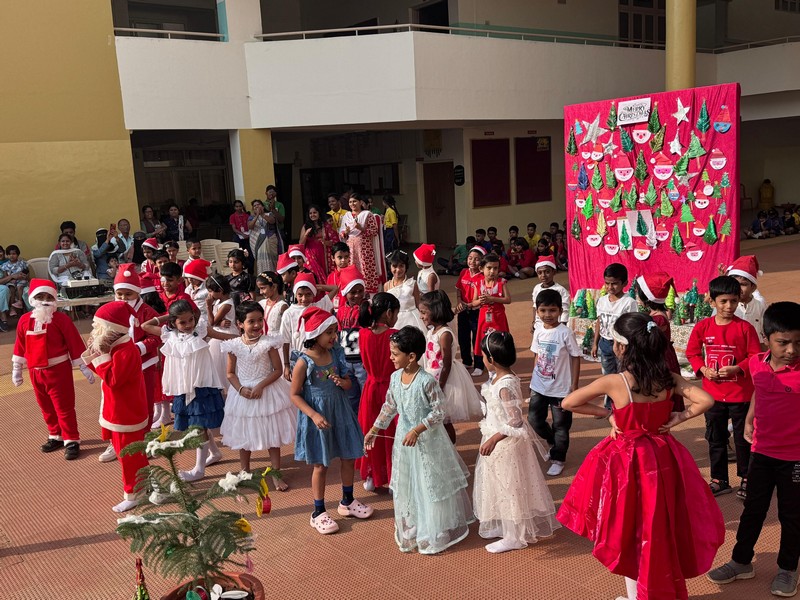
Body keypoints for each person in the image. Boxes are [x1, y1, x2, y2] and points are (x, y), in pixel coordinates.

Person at [558, 312, 726, 600]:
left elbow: (569, 402)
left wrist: (609, 413)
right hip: (662, 458)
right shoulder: (668, 379)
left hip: (626, 463)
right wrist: (679, 417)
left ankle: (637, 593)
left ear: (622, 348)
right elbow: (706, 400)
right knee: (658, 524)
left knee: (627, 528)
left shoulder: (616, 382)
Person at [707, 302, 800, 598]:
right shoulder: (758, 363)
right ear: (767, 337)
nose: (791, 350)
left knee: (792, 515)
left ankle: (787, 568)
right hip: (761, 453)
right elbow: (759, 392)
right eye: (783, 343)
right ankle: (741, 561)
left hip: (795, 459)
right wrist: (748, 419)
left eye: (799, 342)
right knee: (752, 510)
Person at [364, 326, 474, 554]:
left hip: (429, 441)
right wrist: (375, 427)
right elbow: (390, 406)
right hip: (405, 441)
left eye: (395, 353)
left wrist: (418, 429)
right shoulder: (395, 378)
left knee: (430, 482)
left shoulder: (426, 381)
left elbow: (439, 411)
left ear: (411, 356)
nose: (391, 357)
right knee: (409, 480)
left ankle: (437, 525)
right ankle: (416, 520)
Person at [290, 306, 374, 534]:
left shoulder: (336, 353)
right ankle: (318, 511)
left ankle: (347, 500)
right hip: (319, 418)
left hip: (340, 411)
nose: (334, 337)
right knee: (321, 464)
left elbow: (348, 383)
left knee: (348, 456)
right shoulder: (303, 362)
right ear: (315, 334)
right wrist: (314, 415)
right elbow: (295, 394)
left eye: (335, 331)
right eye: (329, 332)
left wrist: (343, 383)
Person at [475, 331, 560, 553]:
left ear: (491, 359)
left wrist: (494, 438)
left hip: (505, 444)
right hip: (495, 438)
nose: (483, 360)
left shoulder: (505, 385)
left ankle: (515, 535)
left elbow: (515, 421)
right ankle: (506, 525)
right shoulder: (497, 377)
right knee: (497, 485)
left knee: (510, 489)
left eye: (484, 356)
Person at [141, 300, 236, 482]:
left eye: (190, 320)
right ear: (173, 322)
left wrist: (245, 339)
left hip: (201, 386)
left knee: (198, 426)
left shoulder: (200, 330)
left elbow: (221, 336)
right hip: (183, 386)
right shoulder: (169, 335)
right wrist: (168, 317)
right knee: (199, 424)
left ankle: (199, 469)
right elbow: (146, 325)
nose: (187, 325)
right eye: (182, 322)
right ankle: (214, 453)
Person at [686, 275, 761, 498]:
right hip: (712, 396)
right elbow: (692, 353)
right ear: (712, 301)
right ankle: (720, 479)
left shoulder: (745, 329)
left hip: (741, 395)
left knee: (742, 440)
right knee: (715, 438)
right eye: (724, 301)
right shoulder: (703, 327)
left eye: (734, 301)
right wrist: (703, 369)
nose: (729, 306)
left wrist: (737, 369)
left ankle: (746, 478)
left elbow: (755, 356)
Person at [11, 279, 94, 460]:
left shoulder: (61, 319)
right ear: (32, 299)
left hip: (58, 370)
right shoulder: (24, 320)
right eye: (40, 296)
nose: (45, 300)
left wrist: (84, 366)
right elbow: (20, 345)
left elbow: (74, 343)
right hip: (35, 371)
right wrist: (17, 368)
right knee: (45, 406)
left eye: (49, 296)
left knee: (64, 406)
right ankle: (55, 434)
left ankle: (72, 439)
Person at [81, 302, 150, 512]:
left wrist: (99, 357)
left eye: (99, 327)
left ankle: (134, 493)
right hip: (119, 411)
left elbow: (112, 379)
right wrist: (95, 354)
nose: (95, 331)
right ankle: (144, 486)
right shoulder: (117, 347)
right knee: (130, 453)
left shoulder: (125, 351)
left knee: (129, 455)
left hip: (125, 413)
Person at [219, 302, 296, 487]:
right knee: (244, 433)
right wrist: (240, 389)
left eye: (260, 320)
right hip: (242, 393)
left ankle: (276, 473)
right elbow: (230, 373)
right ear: (240, 324)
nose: (256, 325)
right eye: (251, 321)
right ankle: (244, 470)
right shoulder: (234, 345)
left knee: (272, 434)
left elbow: (277, 370)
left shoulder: (268, 343)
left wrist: (261, 385)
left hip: (267, 390)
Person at [108, 265, 162, 459]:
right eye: (119, 294)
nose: (123, 298)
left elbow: (156, 338)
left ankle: (145, 439)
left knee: (144, 404)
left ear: (137, 293)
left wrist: (136, 349)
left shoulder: (148, 312)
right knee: (118, 404)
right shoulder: (111, 310)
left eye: (127, 294)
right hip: (118, 366)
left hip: (144, 365)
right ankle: (116, 443)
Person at [529, 289, 581, 477]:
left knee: (561, 425)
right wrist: (534, 380)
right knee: (534, 420)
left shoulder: (565, 333)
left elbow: (575, 357)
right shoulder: (538, 331)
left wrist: (574, 386)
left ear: (560, 310)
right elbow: (537, 355)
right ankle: (553, 442)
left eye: (552, 310)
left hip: (561, 389)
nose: (547, 315)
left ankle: (558, 458)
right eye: (543, 310)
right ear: (537, 311)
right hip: (539, 387)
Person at [420, 290, 483, 444]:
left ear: (435, 311)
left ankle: (452, 450)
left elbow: (446, 364)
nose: (421, 316)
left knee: (445, 419)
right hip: (431, 376)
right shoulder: (431, 331)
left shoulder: (444, 334)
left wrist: (439, 387)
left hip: (444, 381)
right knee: (437, 418)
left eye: (423, 312)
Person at [356, 292, 400, 493]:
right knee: (391, 433)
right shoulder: (394, 335)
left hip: (370, 388)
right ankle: (393, 479)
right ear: (389, 313)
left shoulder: (363, 334)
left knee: (371, 431)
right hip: (390, 390)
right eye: (396, 313)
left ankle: (372, 475)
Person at [592, 263, 638, 410]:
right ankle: (609, 406)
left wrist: (626, 346)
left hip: (621, 345)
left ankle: (623, 406)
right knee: (608, 376)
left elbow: (631, 326)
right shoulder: (602, 300)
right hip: (605, 344)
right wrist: (595, 343)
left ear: (624, 283)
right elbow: (599, 322)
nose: (610, 287)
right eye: (607, 283)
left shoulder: (629, 303)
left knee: (622, 376)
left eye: (614, 284)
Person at [335, 266, 369, 414]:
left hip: (363, 361)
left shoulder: (367, 308)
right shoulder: (340, 311)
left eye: (360, 291)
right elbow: (338, 334)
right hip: (347, 360)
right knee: (352, 396)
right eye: (352, 292)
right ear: (345, 293)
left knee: (366, 395)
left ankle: (367, 422)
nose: (357, 295)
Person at [637, 273, 681, 378]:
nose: (637, 297)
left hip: (660, 360)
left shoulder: (658, 319)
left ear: (647, 297)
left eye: (638, 293)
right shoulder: (655, 315)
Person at [280, 273, 322, 379]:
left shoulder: (318, 308)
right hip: (298, 358)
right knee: (299, 388)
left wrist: (316, 286)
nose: (304, 299)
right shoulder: (289, 313)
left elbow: (335, 289)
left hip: (318, 356)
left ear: (314, 293)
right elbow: (285, 341)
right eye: (300, 295)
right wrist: (286, 365)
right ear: (295, 294)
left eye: (308, 294)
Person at [339, 193, 382, 294]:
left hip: (364, 247)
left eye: (354, 201)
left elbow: (374, 231)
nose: (352, 204)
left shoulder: (367, 214)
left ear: (360, 202)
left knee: (365, 269)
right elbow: (341, 233)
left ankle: (367, 292)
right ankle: (353, 290)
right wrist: (345, 232)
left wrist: (361, 228)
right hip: (350, 247)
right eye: (350, 202)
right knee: (351, 268)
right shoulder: (347, 216)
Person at [472, 253, 510, 361]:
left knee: (500, 342)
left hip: (498, 317)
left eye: (495, 268)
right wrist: (481, 300)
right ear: (481, 268)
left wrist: (492, 299)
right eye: (489, 268)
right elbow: (474, 302)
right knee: (485, 342)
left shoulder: (501, 282)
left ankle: (501, 366)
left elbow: (508, 299)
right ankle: (490, 372)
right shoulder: (478, 283)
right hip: (484, 318)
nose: (492, 271)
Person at [454, 245, 485, 377]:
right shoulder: (463, 272)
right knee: (463, 336)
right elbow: (458, 289)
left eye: (476, 259)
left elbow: (482, 298)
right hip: (463, 309)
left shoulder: (483, 277)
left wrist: (470, 304)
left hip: (476, 311)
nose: (472, 262)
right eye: (470, 258)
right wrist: (459, 302)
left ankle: (479, 364)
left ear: (482, 261)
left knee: (477, 338)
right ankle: (466, 360)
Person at [206, 274, 239, 389]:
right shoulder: (219, 302)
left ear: (220, 290)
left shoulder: (226, 305)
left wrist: (208, 306)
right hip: (219, 332)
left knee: (224, 364)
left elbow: (211, 322)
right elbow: (215, 321)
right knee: (217, 365)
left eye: (211, 291)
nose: (209, 295)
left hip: (225, 335)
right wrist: (219, 323)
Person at [728, 255, 769, 344]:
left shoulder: (760, 305)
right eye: (735, 284)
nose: (738, 288)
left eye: (743, 284)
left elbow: (766, 330)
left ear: (753, 287)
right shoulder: (725, 306)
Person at [384, 249, 425, 333]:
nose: (398, 270)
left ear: (406, 267)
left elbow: (418, 304)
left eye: (401, 266)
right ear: (390, 267)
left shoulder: (413, 284)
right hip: (395, 322)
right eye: (394, 266)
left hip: (412, 321)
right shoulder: (386, 286)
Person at [300, 205, 337, 280]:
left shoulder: (326, 226)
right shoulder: (305, 226)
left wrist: (326, 242)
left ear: (319, 213)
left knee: (325, 274)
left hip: (324, 255)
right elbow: (301, 244)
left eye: (315, 212)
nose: (312, 215)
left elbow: (335, 240)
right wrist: (306, 234)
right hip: (310, 255)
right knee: (314, 275)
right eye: (310, 213)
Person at [248, 199, 283, 274]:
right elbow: (250, 226)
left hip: (270, 240)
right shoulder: (251, 217)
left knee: (273, 259)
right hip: (258, 242)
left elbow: (272, 221)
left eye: (258, 205)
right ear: (253, 209)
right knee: (261, 260)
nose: (257, 206)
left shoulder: (269, 214)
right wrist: (257, 215)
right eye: (255, 206)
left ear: (263, 207)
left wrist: (262, 215)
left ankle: (274, 276)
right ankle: (263, 276)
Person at [256, 271, 288, 336]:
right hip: (262, 340)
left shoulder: (282, 306)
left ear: (274, 287)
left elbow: (286, 330)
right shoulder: (261, 304)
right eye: (259, 289)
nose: (261, 292)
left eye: (263, 288)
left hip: (277, 342)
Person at [1, 244, 29, 313]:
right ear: (7, 255)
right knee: (11, 288)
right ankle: (12, 307)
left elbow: (27, 273)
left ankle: (20, 302)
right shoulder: (5, 265)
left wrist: (25, 277)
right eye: (9, 254)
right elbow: (5, 276)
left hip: (21, 280)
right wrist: (11, 279)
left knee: (20, 286)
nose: (11, 256)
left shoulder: (22, 263)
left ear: (18, 254)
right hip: (11, 281)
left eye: (14, 254)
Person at [183, 259, 211, 323]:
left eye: (193, 277)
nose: (190, 280)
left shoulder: (208, 289)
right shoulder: (187, 289)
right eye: (188, 277)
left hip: (206, 319)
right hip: (192, 319)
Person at [326, 242, 350, 311]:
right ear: (333, 258)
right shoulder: (330, 277)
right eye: (340, 257)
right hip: (334, 310)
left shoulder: (352, 275)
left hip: (347, 311)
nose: (343, 260)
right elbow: (328, 297)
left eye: (346, 257)